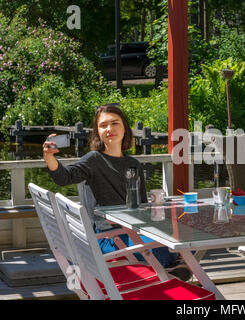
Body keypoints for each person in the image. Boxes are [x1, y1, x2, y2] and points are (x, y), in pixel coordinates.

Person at [43, 103, 191, 280]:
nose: (109, 129)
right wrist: (49, 157)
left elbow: (142, 208)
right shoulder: (93, 159)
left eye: (114, 123)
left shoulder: (133, 164)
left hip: (133, 232)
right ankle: (173, 267)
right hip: (108, 237)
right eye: (103, 125)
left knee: (187, 237)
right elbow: (64, 177)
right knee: (170, 250)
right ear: (97, 131)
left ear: (124, 128)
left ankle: (172, 267)